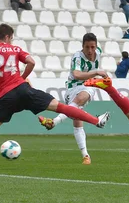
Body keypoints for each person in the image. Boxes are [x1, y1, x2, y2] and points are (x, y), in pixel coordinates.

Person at [0, 25, 110, 168]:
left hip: (6, 97)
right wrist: (22, 78)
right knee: (62, 107)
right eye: (11, 37)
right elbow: (31, 62)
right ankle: (96, 121)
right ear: (8, 36)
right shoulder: (16, 49)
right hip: (24, 90)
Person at [38, 33, 109, 165]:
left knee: (82, 97)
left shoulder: (98, 52)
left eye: (92, 47)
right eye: (87, 47)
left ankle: (54, 122)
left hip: (87, 87)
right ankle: (86, 155)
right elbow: (76, 74)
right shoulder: (77, 57)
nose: (90, 50)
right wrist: (96, 72)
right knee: (77, 120)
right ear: (82, 46)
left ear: (96, 46)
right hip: (72, 88)